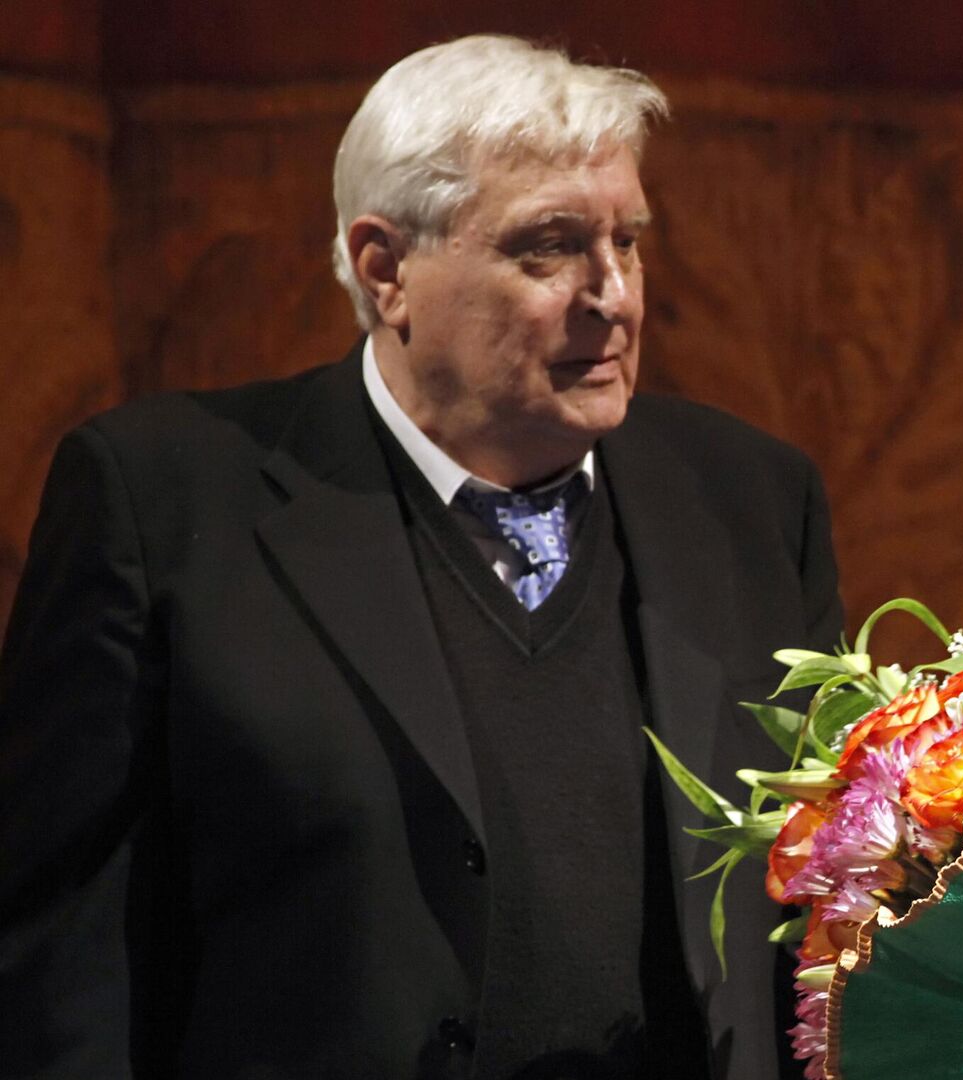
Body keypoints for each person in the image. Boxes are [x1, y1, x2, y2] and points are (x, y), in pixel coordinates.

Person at [0, 35, 841, 1080]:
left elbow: (825, 915)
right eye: (550, 248)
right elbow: (58, 962)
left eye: (627, 242)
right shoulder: (161, 503)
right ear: (385, 268)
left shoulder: (753, 500)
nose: (614, 294)